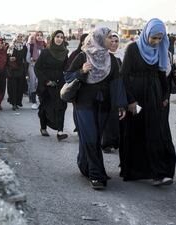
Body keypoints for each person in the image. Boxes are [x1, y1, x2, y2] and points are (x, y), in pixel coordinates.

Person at [65, 27, 127, 189]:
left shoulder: (111, 60)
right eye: (108, 37)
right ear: (99, 39)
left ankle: (84, 164)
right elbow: (68, 77)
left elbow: (117, 83)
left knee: (94, 138)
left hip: (104, 106)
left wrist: (120, 105)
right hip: (83, 104)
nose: (110, 40)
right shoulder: (83, 56)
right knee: (91, 137)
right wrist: (81, 71)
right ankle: (96, 175)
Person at [119, 18, 176, 186]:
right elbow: (124, 77)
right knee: (135, 132)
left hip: (154, 96)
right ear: (147, 34)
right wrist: (130, 101)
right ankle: (136, 170)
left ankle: (160, 173)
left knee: (156, 133)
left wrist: (165, 96)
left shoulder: (160, 49)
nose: (156, 41)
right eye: (154, 38)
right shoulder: (132, 49)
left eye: (160, 38)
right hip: (136, 97)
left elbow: (162, 75)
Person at [35, 30, 69, 140]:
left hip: (59, 84)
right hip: (45, 85)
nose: (59, 39)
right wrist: (46, 81)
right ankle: (43, 127)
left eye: (61, 37)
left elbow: (66, 69)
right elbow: (37, 68)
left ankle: (60, 132)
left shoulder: (65, 53)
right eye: (57, 36)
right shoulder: (46, 52)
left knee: (61, 107)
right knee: (45, 107)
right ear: (53, 38)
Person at [101, 32, 124, 152]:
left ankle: (117, 142)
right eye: (112, 41)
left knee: (120, 117)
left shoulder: (122, 55)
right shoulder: (104, 56)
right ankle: (106, 144)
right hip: (107, 91)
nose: (114, 43)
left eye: (116, 41)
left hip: (120, 90)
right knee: (109, 119)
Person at [6, 34, 27, 110]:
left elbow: (24, 58)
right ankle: (13, 103)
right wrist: (10, 58)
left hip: (20, 69)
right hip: (12, 70)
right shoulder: (11, 46)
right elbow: (7, 56)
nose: (20, 38)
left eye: (21, 37)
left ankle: (18, 102)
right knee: (13, 87)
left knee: (19, 87)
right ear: (15, 37)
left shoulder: (24, 47)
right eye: (18, 37)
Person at [26, 31, 46, 109]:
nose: (39, 37)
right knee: (33, 83)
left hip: (42, 68)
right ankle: (34, 102)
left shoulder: (44, 45)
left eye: (41, 35)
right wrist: (32, 60)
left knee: (40, 83)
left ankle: (40, 101)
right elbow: (27, 58)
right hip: (32, 66)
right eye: (38, 35)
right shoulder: (31, 46)